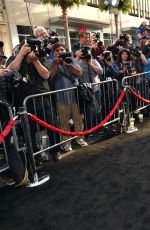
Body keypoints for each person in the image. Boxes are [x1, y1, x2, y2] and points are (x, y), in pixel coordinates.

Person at [7, 41, 62, 161]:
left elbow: (46, 75)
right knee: (29, 131)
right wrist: (21, 55)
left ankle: (56, 150)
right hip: (25, 102)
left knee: (52, 126)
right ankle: (35, 156)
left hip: (43, 98)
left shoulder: (40, 56)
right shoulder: (15, 58)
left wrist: (36, 60)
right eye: (26, 47)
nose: (30, 50)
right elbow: (10, 71)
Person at [49, 42, 88, 152]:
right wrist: (56, 64)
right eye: (57, 51)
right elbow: (50, 77)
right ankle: (66, 142)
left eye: (62, 49)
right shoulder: (51, 62)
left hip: (74, 95)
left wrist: (70, 65)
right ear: (54, 53)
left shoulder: (72, 59)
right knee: (63, 121)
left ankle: (79, 138)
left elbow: (79, 73)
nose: (60, 52)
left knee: (78, 118)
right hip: (61, 96)